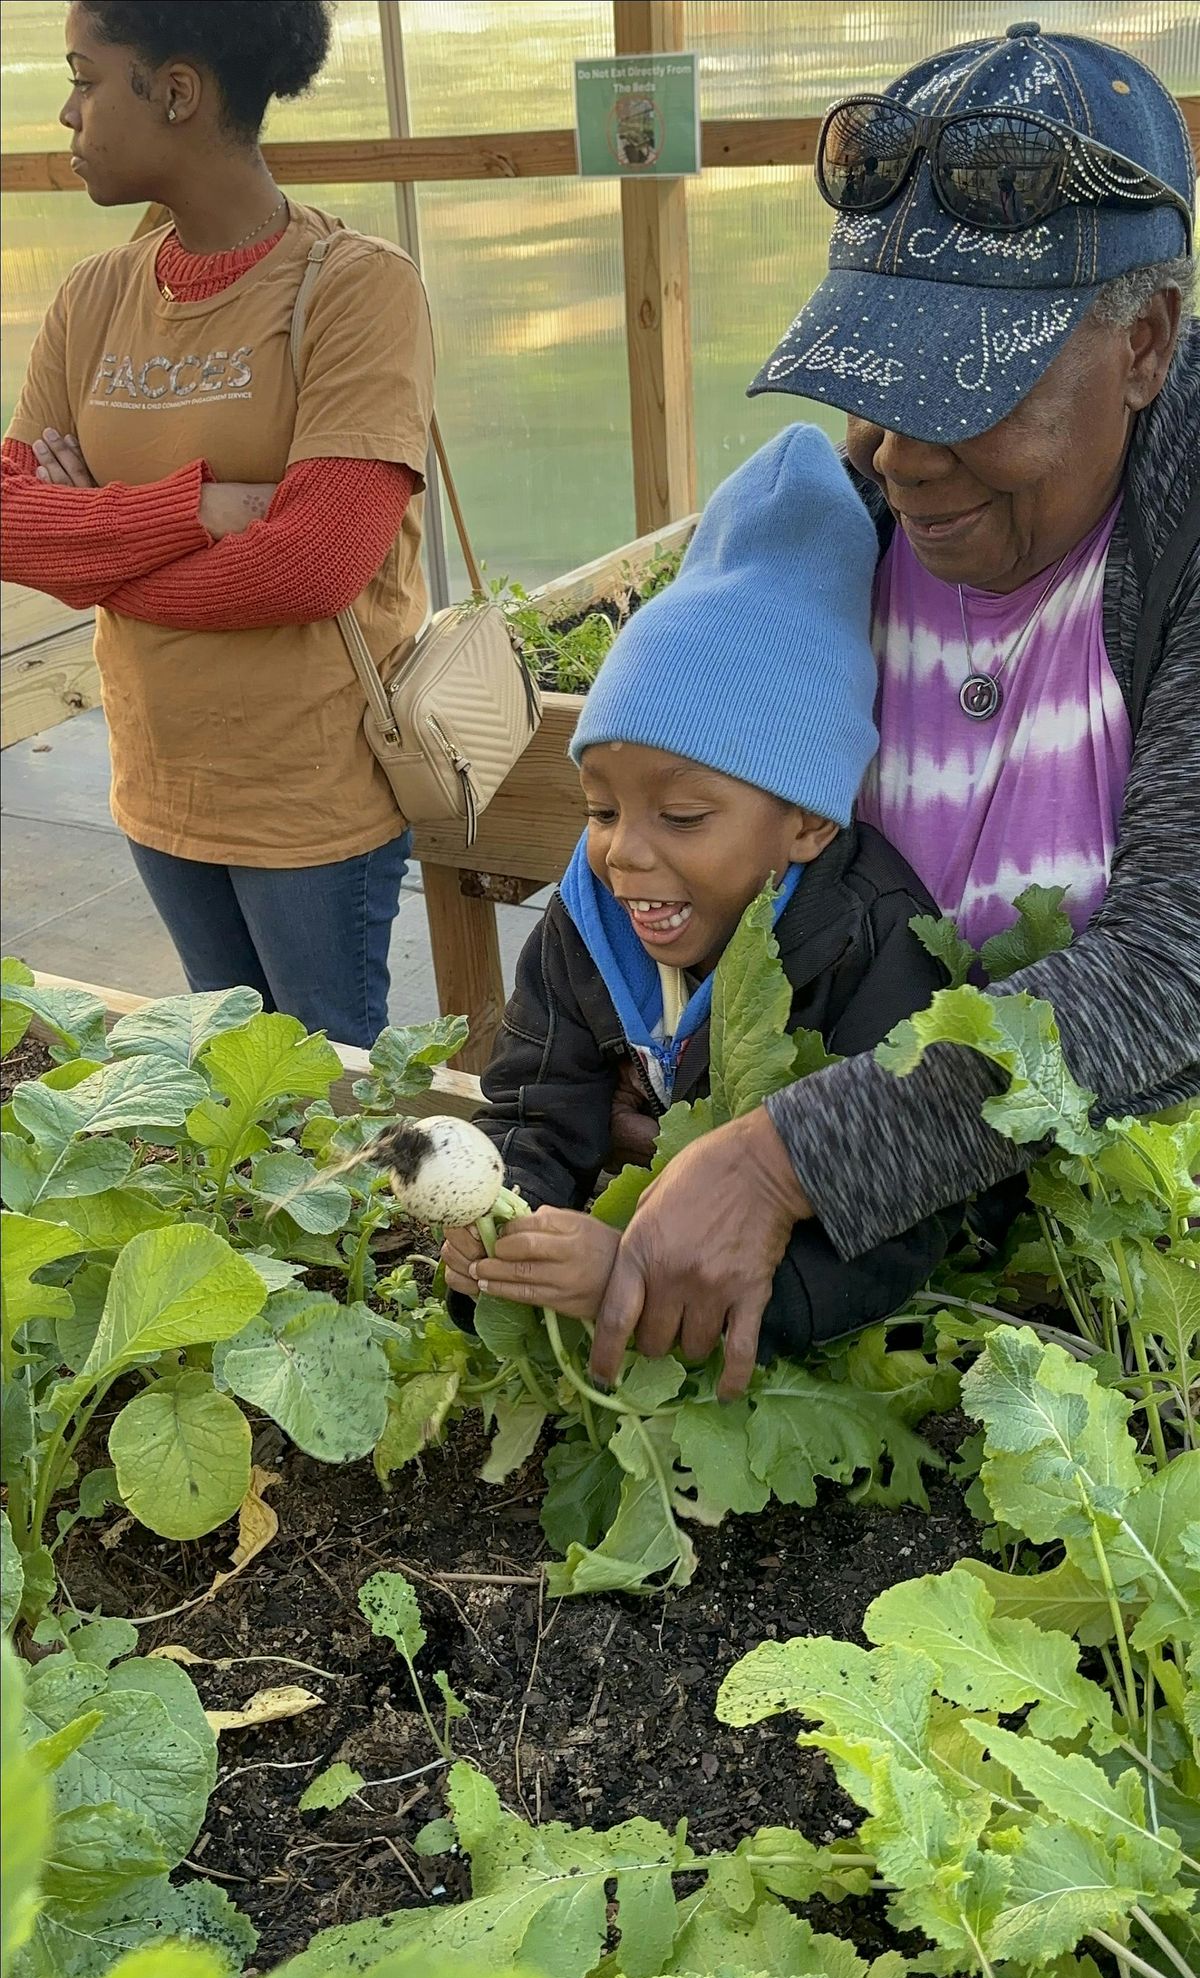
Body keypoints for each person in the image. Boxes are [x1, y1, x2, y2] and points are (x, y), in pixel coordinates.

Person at [472, 20, 1200, 1396]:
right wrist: (678, 1063)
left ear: (1147, 343)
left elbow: (1175, 975)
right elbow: (674, 852)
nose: (898, 450)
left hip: (1118, 1319)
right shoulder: (826, 540)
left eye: (966, 393)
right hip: (848, 1314)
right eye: (871, 383)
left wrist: (787, 1150)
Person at [442, 425, 962, 1360]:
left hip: (796, 1343)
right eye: (601, 808)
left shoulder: (881, 939)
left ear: (809, 820)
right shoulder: (587, 920)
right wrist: (501, 1223)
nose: (624, 856)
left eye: (682, 816)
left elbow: (897, 1228)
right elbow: (535, 1102)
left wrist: (628, 1281)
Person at [1, 2, 434, 1047]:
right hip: (159, 781)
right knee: (228, 1088)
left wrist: (95, 538)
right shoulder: (96, 296)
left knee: (331, 1102)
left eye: (87, 77)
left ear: (178, 90)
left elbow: (310, 569)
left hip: (310, 801)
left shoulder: (359, 291)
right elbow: (11, 520)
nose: (67, 111)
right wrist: (194, 509)